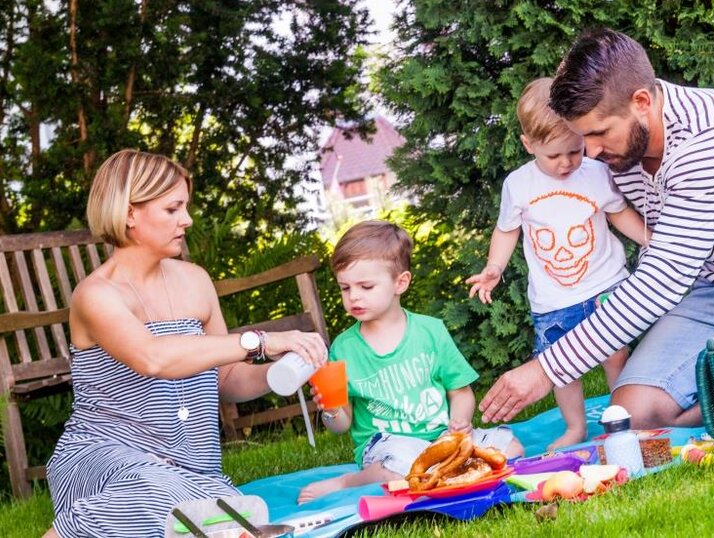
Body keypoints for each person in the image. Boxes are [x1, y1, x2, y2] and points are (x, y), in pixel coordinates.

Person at [479, 28, 714, 430]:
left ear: (641, 102)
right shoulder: (622, 147)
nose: (590, 152)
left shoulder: (712, 140)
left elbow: (663, 278)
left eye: (599, 133)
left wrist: (547, 369)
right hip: (709, 287)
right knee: (630, 416)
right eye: (583, 137)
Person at [44, 149, 328, 538]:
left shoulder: (195, 280)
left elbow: (227, 378)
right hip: (103, 458)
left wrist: (282, 370)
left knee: (226, 509)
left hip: (190, 471)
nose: (187, 219)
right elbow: (153, 357)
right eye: (173, 208)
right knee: (166, 497)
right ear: (130, 214)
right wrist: (259, 341)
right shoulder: (96, 295)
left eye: (185, 207)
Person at [465, 77, 648, 450]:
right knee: (560, 367)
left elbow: (618, 214)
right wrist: (494, 267)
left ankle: (625, 417)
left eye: (575, 151)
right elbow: (506, 230)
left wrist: (650, 238)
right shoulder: (519, 185)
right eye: (554, 156)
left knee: (616, 353)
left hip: (604, 285)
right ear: (528, 145)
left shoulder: (597, 173)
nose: (566, 163)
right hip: (554, 299)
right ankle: (575, 427)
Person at [297, 220, 524, 504]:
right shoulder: (344, 348)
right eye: (345, 288)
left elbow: (460, 392)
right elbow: (342, 424)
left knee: (511, 447)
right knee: (399, 472)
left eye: (366, 286)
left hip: (441, 440)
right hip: (388, 448)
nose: (353, 296)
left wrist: (460, 422)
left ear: (400, 283)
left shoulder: (431, 331)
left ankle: (444, 472)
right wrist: (330, 409)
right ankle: (346, 482)